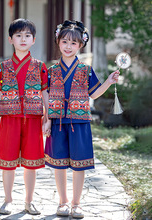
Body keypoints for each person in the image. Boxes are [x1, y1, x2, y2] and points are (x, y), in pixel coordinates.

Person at [43, 20, 120, 219]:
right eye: (65, 41)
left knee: (79, 164)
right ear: (58, 42)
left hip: (80, 122)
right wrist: (46, 119)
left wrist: (109, 82)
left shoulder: (86, 70)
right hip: (58, 121)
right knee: (59, 164)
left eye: (73, 43)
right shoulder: (50, 71)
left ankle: (76, 204)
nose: (68, 46)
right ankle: (63, 202)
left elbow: (94, 94)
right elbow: (47, 98)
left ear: (81, 45)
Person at [0, 18, 48, 215]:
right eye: (18, 35)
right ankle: (8, 200)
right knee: (8, 162)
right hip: (9, 120)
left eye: (27, 35)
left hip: (32, 120)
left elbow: (45, 93)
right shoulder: (3, 67)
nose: (23, 39)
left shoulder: (40, 66)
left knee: (31, 163)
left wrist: (49, 118)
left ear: (34, 40)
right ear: (10, 39)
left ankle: (29, 201)